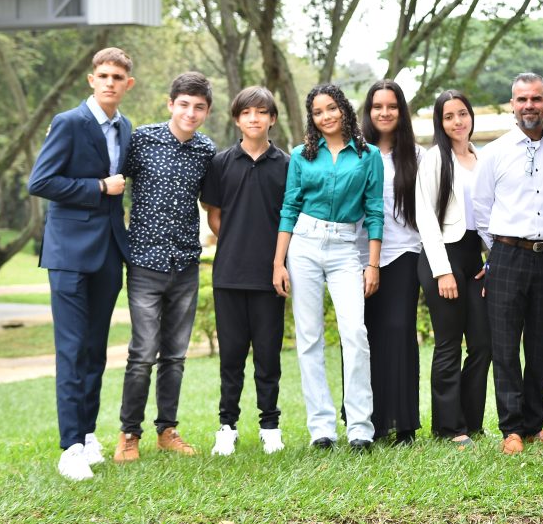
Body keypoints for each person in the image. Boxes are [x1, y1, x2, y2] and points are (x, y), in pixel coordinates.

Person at [28, 47, 135, 480]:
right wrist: (98, 187)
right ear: (92, 80)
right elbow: (41, 181)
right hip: (69, 254)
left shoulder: (125, 127)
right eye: (103, 75)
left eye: (118, 77)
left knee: (94, 350)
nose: (110, 82)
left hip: (109, 252)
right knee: (72, 350)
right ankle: (69, 447)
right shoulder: (70, 123)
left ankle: (88, 434)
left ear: (128, 84)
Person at [272, 84, 383, 451]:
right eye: (318, 112)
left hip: (345, 249)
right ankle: (321, 428)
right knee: (309, 337)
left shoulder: (368, 156)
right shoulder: (302, 156)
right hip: (303, 245)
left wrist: (373, 263)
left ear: (344, 110)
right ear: (312, 118)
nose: (326, 117)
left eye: (331, 108)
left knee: (354, 333)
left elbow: (375, 211)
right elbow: (289, 207)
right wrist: (279, 262)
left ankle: (359, 428)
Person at [473, 72, 543, 455]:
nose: (529, 106)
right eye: (521, 99)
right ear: (512, 105)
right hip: (507, 255)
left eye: (536, 99)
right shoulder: (495, 152)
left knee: (540, 344)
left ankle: (534, 425)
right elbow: (481, 208)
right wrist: (497, 252)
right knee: (504, 345)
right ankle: (511, 429)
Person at [115, 72, 216, 462]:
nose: (191, 113)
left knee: (174, 355)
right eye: (184, 104)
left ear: (206, 111)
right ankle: (129, 434)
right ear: (170, 103)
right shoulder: (141, 140)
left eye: (199, 107)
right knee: (143, 352)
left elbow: (214, 204)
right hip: (143, 263)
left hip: (186, 264)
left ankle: (167, 430)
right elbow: (111, 178)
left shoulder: (206, 150)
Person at [202, 86, 290, 457]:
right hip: (229, 275)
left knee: (268, 356)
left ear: (272, 118)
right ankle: (227, 425)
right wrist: (238, 241)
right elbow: (215, 215)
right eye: (246, 113)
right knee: (232, 357)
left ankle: (270, 425)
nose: (254, 119)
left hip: (270, 276)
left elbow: (290, 217)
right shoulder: (221, 163)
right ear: (237, 119)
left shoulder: (286, 165)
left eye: (261, 112)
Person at [415, 90, 491, 449]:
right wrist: (441, 270)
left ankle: (472, 422)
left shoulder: (483, 157)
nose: (457, 121)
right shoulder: (434, 160)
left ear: (471, 116)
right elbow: (425, 216)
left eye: (462, 113)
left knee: (483, 342)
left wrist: (493, 260)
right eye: (449, 116)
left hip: (474, 257)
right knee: (448, 343)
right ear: (440, 122)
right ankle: (448, 427)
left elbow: (492, 214)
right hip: (441, 255)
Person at [359, 80, 422, 445]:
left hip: (402, 253)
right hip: (357, 257)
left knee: (398, 331)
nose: (384, 112)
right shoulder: (355, 154)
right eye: (377, 106)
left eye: (392, 106)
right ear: (368, 112)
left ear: (401, 111)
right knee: (362, 336)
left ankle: (405, 423)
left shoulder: (418, 155)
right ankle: (369, 421)